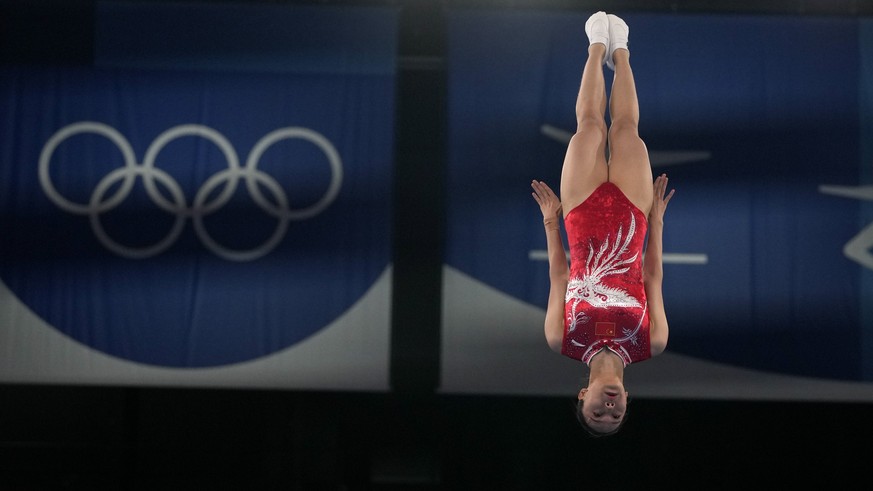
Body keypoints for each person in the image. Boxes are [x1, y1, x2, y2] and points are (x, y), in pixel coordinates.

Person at [530, 11, 674, 436]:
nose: (608, 409)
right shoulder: (653, 342)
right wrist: (657, 221)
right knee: (627, 129)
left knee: (590, 125)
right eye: (616, 415)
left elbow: (560, 274)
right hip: (633, 213)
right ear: (627, 401)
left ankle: (596, 46)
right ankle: (623, 52)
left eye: (597, 414)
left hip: (579, 212)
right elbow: (652, 277)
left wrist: (551, 222)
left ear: (582, 398)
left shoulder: (562, 340)